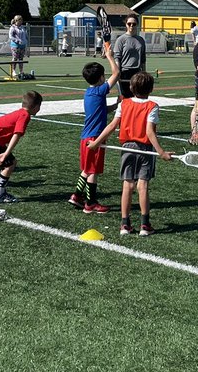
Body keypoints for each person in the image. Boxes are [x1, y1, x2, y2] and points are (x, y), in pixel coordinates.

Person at [88, 71, 172, 237]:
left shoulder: (124, 104)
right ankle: (144, 224)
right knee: (143, 185)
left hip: (127, 147)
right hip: (145, 149)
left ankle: (125, 224)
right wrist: (161, 152)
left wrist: (96, 143)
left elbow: (112, 126)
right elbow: (149, 131)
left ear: (131, 88)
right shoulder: (152, 106)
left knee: (128, 185)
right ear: (151, 89)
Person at [69, 37, 119, 214]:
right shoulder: (99, 90)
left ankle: (76, 196)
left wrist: (116, 104)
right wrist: (110, 56)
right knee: (93, 172)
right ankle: (90, 204)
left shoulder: (90, 93)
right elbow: (116, 74)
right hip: (95, 138)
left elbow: (103, 110)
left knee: (86, 169)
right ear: (100, 78)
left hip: (85, 137)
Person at [0, 90, 44, 207]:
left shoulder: (21, 112)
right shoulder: (25, 115)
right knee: (10, 164)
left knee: (11, 163)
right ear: (36, 106)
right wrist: (6, 152)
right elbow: (17, 134)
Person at [112, 14, 147, 99]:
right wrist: (118, 74)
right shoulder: (121, 39)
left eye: (134, 24)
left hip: (137, 72)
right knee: (126, 98)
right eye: (129, 23)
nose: (131, 25)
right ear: (126, 24)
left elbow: (143, 59)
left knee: (138, 98)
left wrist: (144, 74)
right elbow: (117, 58)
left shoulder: (141, 40)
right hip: (125, 72)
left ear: (137, 25)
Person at [8, 15, 28, 79]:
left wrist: (25, 41)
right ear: (17, 20)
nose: (21, 21)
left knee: (21, 59)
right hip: (15, 45)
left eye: (21, 20)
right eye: (20, 20)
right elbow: (11, 36)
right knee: (15, 58)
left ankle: (21, 71)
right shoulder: (13, 28)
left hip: (22, 45)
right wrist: (17, 41)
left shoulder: (22, 27)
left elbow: (25, 35)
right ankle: (13, 71)